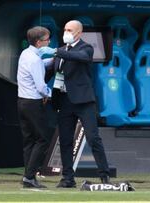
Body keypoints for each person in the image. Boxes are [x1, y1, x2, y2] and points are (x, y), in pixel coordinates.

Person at [39, 20, 110, 188]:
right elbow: (52, 72)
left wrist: (56, 51)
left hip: (83, 101)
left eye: (69, 30)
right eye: (64, 29)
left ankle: (104, 176)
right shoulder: (61, 51)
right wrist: (40, 89)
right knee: (64, 141)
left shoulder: (86, 48)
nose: (66, 33)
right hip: (64, 101)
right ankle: (68, 178)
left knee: (93, 138)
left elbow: (80, 57)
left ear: (78, 33)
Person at [17, 26, 53, 188]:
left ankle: (28, 176)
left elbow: (40, 64)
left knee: (29, 140)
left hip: (22, 102)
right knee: (43, 139)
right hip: (33, 103)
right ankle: (30, 176)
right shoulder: (35, 60)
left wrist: (53, 57)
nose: (49, 42)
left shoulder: (26, 53)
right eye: (47, 40)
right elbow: (40, 86)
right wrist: (49, 94)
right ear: (39, 42)